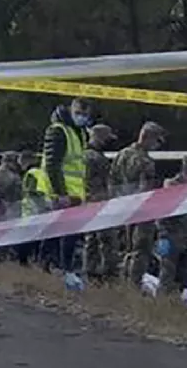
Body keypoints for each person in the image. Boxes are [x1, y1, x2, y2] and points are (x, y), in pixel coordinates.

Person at [39, 99, 92, 273]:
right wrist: (61, 193)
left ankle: (58, 269)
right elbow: (52, 165)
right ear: (71, 110)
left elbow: (78, 166)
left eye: (85, 115)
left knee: (67, 235)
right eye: (79, 113)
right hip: (60, 194)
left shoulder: (80, 132)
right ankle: (48, 268)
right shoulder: (58, 131)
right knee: (56, 234)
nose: (82, 117)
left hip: (75, 194)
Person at [110, 121, 165, 286]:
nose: (157, 145)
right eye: (157, 141)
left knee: (126, 249)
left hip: (123, 208)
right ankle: (133, 285)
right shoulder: (146, 161)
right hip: (141, 211)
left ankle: (123, 283)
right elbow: (145, 190)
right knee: (141, 250)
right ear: (149, 138)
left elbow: (112, 181)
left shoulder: (122, 154)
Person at [83, 123, 118, 280]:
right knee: (106, 240)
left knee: (91, 240)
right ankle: (106, 275)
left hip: (91, 202)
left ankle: (90, 272)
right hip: (98, 202)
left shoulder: (87, 155)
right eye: (106, 138)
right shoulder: (94, 157)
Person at [156, 156, 187, 296]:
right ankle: (162, 302)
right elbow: (161, 212)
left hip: (183, 235)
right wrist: (162, 235)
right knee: (167, 273)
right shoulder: (172, 185)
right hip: (171, 235)